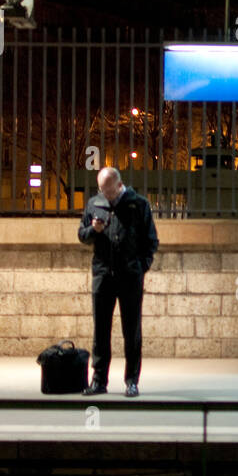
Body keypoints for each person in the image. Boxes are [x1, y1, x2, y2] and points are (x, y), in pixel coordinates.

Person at [77, 166, 158, 397]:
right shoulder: (95, 203)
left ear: (119, 184)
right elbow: (81, 235)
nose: (106, 195)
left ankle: (132, 380)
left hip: (130, 276)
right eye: (102, 190)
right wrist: (93, 230)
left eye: (109, 190)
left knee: (131, 331)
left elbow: (151, 240)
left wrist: (141, 267)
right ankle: (99, 380)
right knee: (100, 330)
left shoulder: (138, 204)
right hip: (103, 274)